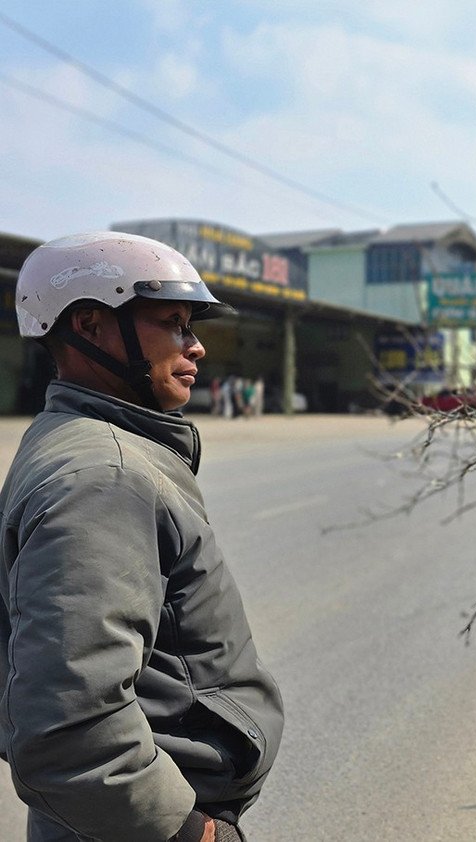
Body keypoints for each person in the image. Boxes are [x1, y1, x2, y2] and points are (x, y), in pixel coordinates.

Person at [1, 232, 284, 842]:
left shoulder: (78, 438)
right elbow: (67, 724)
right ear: (91, 326)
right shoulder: (105, 475)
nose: (197, 345)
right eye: (174, 323)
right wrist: (189, 832)